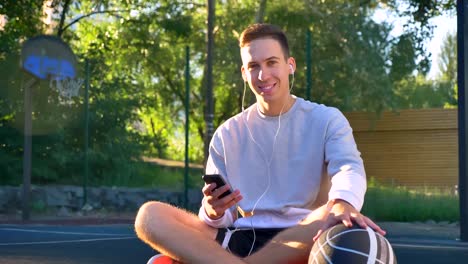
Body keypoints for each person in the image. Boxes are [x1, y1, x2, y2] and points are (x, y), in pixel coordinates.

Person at [135, 23, 385, 264]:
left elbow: (348, 168)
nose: (263, 75)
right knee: (149, 216)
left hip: (305, 235)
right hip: (239, 238)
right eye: (254, 66)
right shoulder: (227, 133)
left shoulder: (326, 119)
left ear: (290, 65)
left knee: (333, 212)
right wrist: (214, 210)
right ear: (244, 74)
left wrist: (344, 202)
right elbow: (221, 219)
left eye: (272, 63)